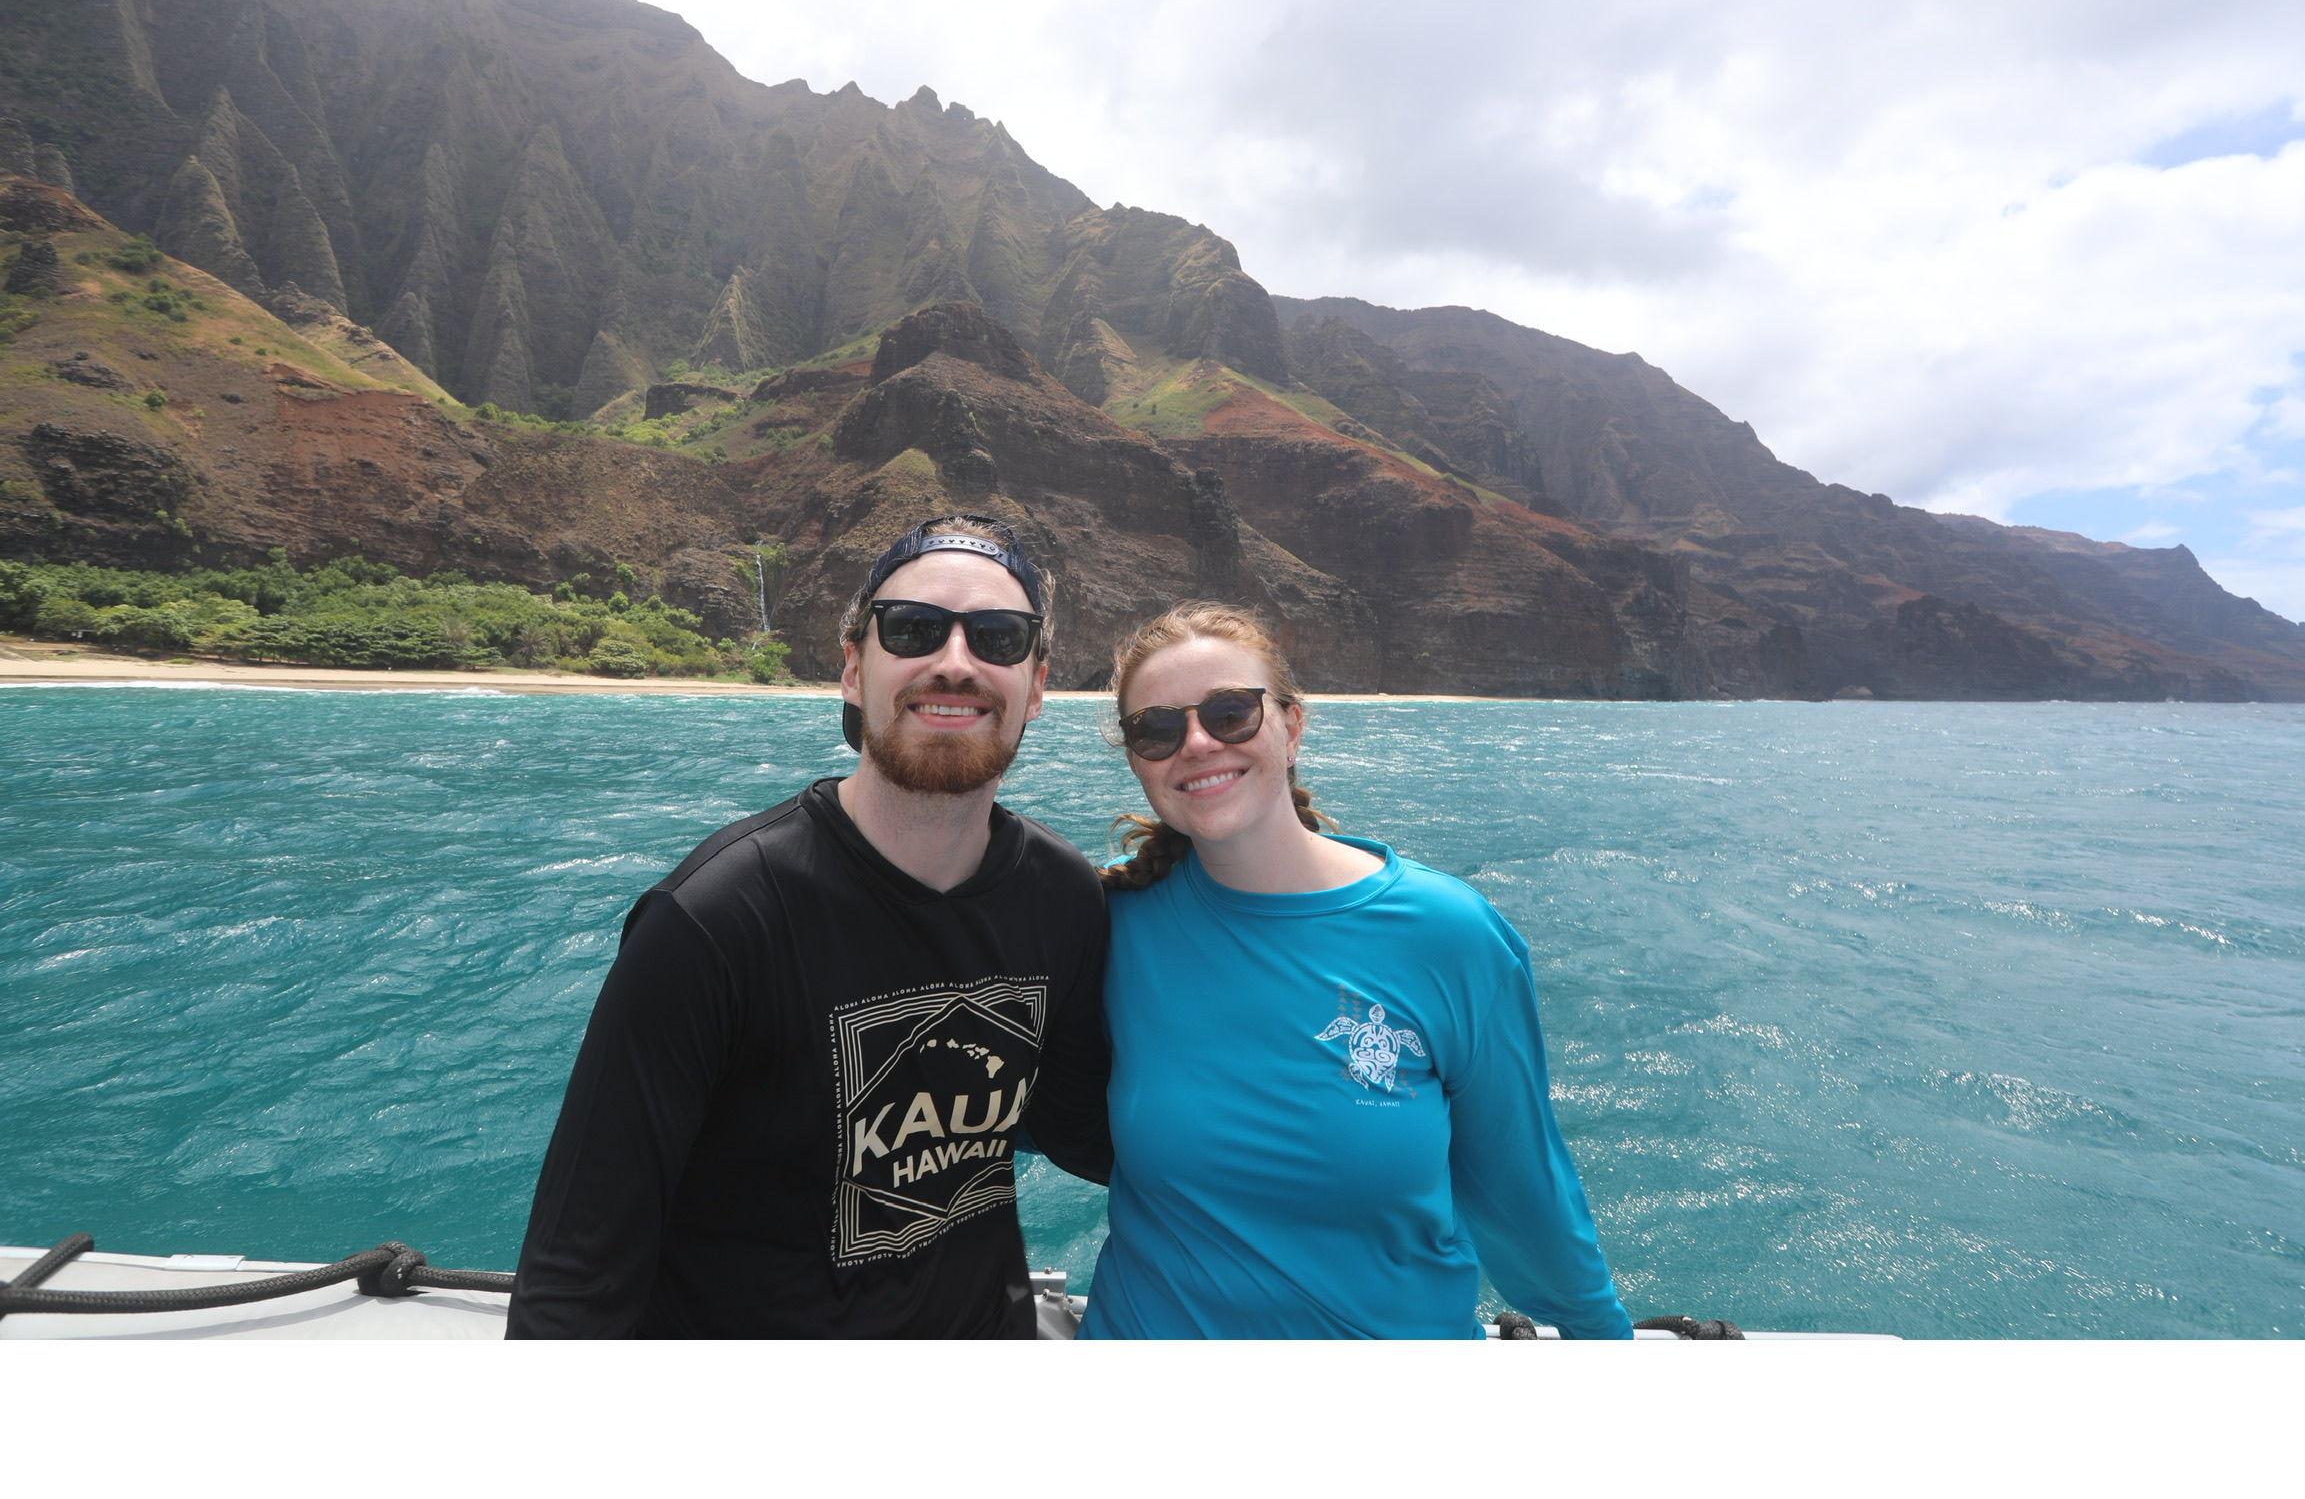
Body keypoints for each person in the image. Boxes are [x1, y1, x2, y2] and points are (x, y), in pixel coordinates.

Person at [507, 513, 1111, 1338]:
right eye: (913, 629)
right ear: (854, 669)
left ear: (1036, 686)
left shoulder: (1063, 897)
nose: (954, 662)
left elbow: (1094, 1130)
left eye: (998, 637)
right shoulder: (715, 918)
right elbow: (578, 1264)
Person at [1079, 601, 1633, 1340]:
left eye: (1231, 712)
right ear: (1135, 756)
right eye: (1157, 727)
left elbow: (1523, 1193)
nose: (1198, 742)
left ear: (1291, 724)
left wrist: (1603, 1339)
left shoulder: (1448, 935)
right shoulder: (1106, 916)